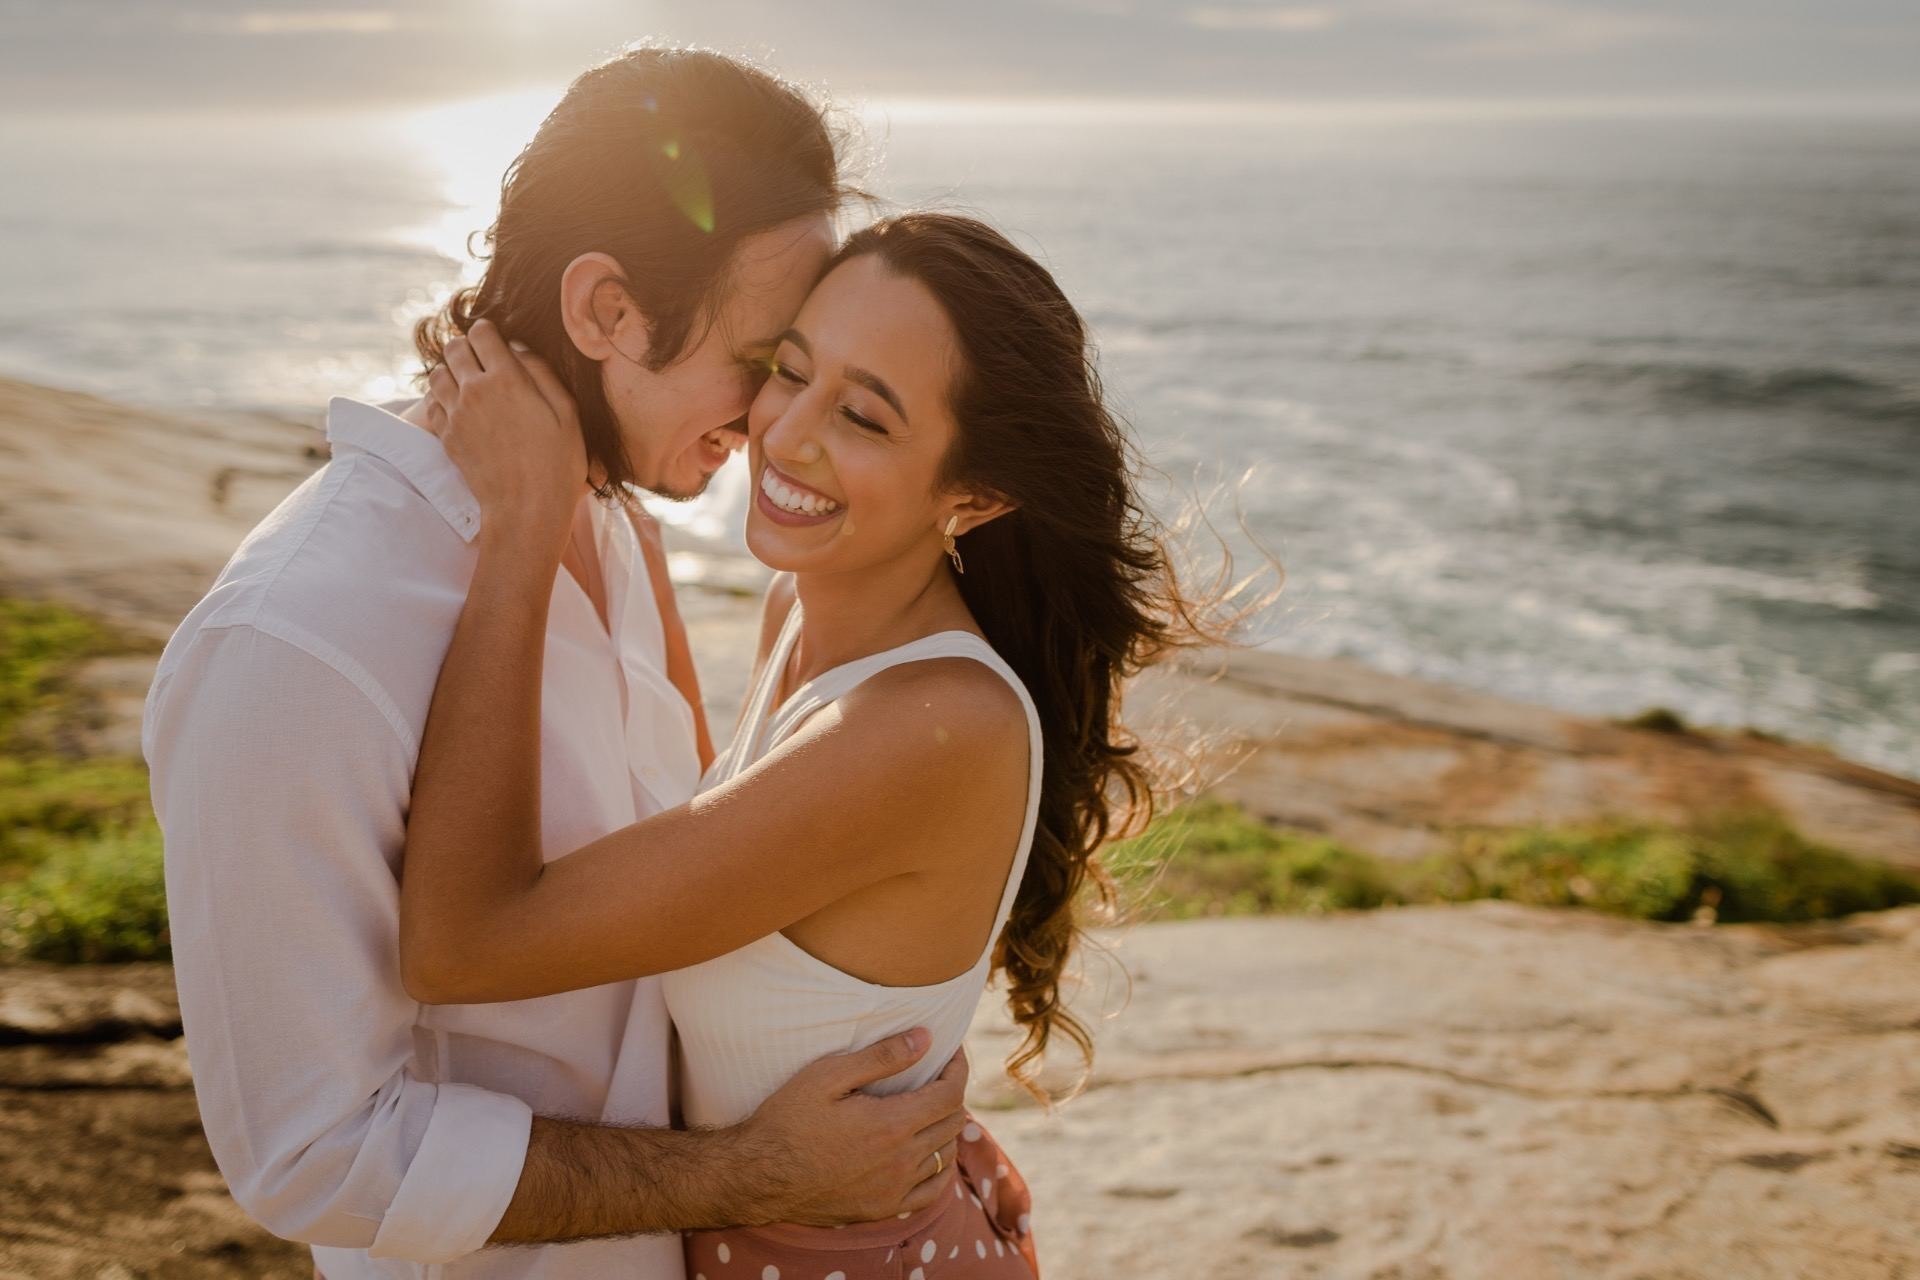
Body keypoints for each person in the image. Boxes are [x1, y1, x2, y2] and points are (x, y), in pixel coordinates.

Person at [143, 48, 968, 1280]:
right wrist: (752, 1169)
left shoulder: (608, 517)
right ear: (604, 311)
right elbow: (307, 1153)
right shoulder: (294, 646)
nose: (773, 427)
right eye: (758, 365)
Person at [401, 212, 1234, 1278]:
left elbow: (459, 945)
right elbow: (718, 835)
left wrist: (522, 527)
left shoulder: (928, 729)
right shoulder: (806, 616)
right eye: (787, 369)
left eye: (865, 418)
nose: (787, 433)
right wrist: (603, 513)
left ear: (974, 496)